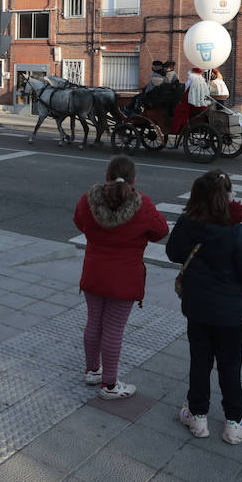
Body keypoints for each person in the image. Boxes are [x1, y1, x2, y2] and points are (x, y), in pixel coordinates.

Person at [166, 170, 242, 444]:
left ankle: (197, 417)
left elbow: (173, 253)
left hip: (197, 308)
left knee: (200, 361)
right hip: (230, 315)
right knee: (230, 366)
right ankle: (234, 422)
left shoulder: (188, 222)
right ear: (228, 196)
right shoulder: (236, 230)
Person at [73, 155, 169, 400]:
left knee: (94, 322)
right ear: (134, 179)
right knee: (114, 329)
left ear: (106, 176)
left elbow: (79, 222)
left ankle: (93, 370)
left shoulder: (88, 201)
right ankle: (110, 385)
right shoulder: (143, 205)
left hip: (94, 272)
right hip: (124, 278)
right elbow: (161, 231)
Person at [172, 67, 212, 136]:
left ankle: (179, 128)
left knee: (179, 109)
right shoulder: (203, 83)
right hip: (203, 106)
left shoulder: (193, 84)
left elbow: (188, 99)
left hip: (194, 107)